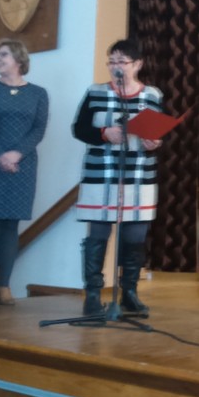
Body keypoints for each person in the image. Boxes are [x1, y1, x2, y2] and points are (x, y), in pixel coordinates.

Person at [73, 39, 163, 317]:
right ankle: (92, 295)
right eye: (112, 61)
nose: (116, 67)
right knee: (98, 233)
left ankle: (130, 293)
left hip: (139, 174)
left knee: (135, 235)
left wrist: (154, 142)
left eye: (122, 62)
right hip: (101, 173)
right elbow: (78, 129)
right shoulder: (95, 92)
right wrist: (104, 134)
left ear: (137, 65)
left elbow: (157, 133)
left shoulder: (152, 95)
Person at [0, 39, 49, 306]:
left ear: (18, 58)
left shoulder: (38, 93)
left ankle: (5, 285)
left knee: (11, 225)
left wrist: (16, 154)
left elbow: (38, 129)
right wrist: (0, 155)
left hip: (23, 165)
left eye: (2, 54)